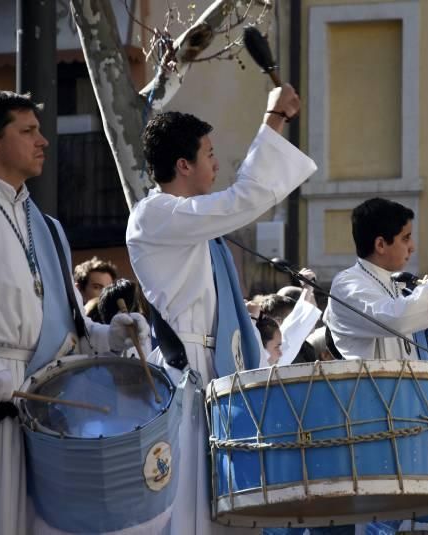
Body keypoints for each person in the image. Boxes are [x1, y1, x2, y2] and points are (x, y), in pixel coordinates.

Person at [126, 84, 317, 535]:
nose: (216, 163)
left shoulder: (195, 225)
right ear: (183, 164)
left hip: (218, 374)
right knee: (196, 510)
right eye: (209, 153)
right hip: (188, 379)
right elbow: (242, 201)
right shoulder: (156, 216)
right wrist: (273, 117)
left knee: (229, 511)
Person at [0, 90, 149, 534]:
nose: (44, 141)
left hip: (47, 409)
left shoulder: (50, 229)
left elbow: (75, 327)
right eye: (28, 130)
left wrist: (111, 336)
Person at [323, 197, 428, 361]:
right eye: (405, 238)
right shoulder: (346, 284)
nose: (412, 247)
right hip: (369, 386)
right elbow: (393, 319)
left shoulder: (394, 285)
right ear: (380, 245)